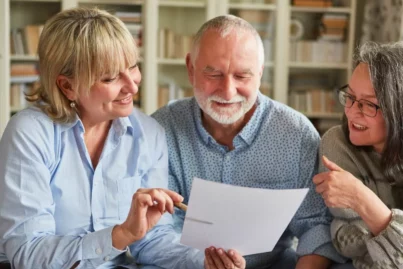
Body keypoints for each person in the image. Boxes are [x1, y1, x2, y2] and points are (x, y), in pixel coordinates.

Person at [0, 7, 238, 269]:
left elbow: (151, 240)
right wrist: (120, 235)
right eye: (111, 77)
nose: (133, 85)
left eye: (132, 66)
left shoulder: (148, 133)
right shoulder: (30, 133)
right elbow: (28, 252)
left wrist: (205, 262)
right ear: (67, 86)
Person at [152, 14, 346, 269]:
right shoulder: (162, 129)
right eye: (214, 74)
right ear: (190, 68)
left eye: (242, 76)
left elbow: (315, 227)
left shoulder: (296, 134)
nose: (228, 91)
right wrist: (204, 263)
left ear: (260, 73)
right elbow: (154, 234)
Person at [313, 41, 403, 269]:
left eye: (369, 104)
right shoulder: (337, 145)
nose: (352, 111)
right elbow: (346, 243)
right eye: (350, 97)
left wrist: (361, 197)